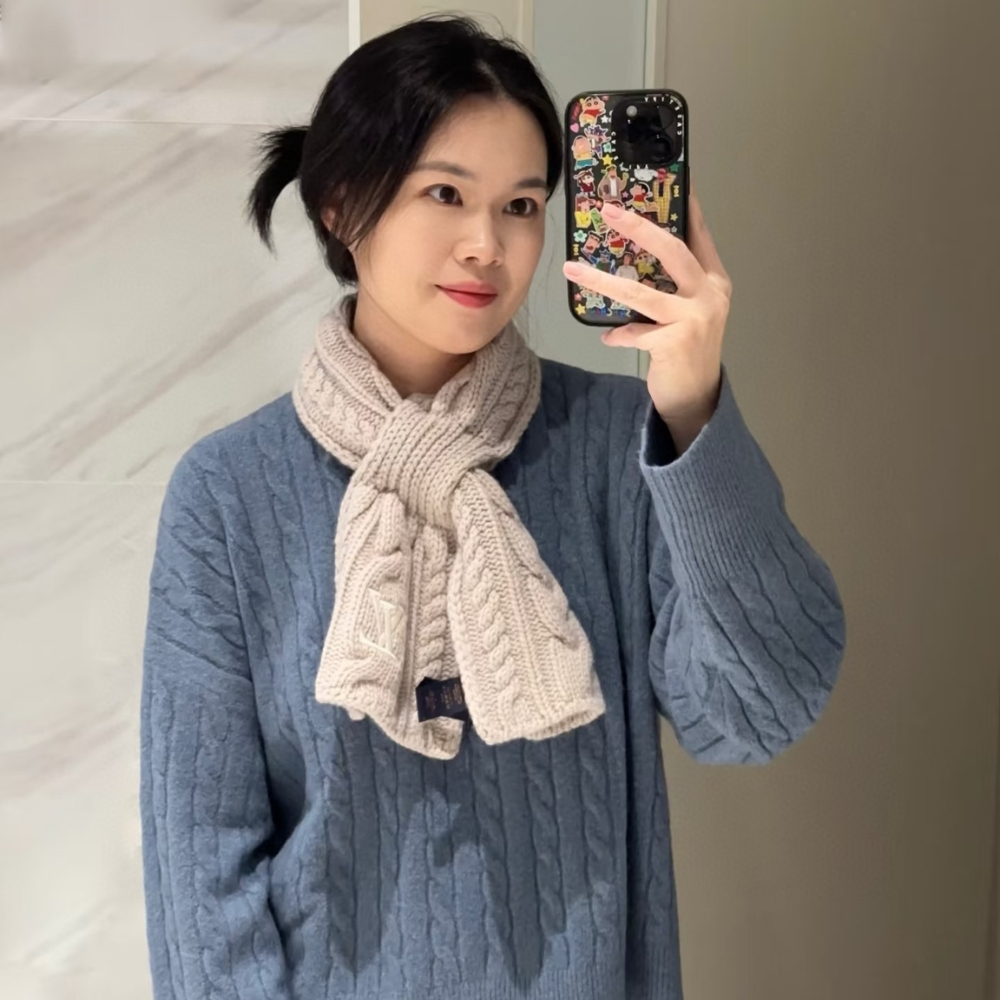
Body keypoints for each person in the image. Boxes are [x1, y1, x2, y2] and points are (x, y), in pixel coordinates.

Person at [138, 13, 846, 1000]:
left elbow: (757, 712)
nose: (486, 244)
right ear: (341, 206)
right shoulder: (228, 493)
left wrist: (692, 408)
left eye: (520, 204)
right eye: (445, 193)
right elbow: (201, 867)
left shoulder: (617, 444)